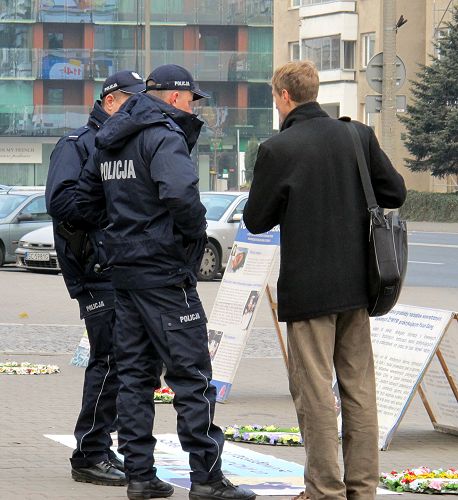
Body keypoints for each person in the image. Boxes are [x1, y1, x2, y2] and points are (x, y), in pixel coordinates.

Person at [73, 64, 256, 500]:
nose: (193, 106)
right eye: (191, 99)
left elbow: (83, 202)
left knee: (136, 378)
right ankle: (207, 479)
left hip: (126, 274)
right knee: (191, 377)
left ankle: (140, 476)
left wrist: (121, 234)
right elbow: (180, 195)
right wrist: (188, 236)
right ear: (174, 97)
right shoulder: (163, 134)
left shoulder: (110, 139)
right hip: (164, 274)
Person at [243, 61, 407, 500]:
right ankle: (363, 488)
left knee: (315, 392)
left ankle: (323, 490)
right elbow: (395, 192)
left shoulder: (279, 149)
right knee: (359, 390)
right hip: (359, 287)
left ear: (283, 96)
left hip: (309, 290)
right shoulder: (357, 136)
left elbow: (256, 220)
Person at [45, 70, 149, 487]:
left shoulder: (121, 145)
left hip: (119, 266)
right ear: (110, 103)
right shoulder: (77, 144)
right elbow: (62, 202)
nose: (140, 111)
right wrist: (114, 218)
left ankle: (100, 448)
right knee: (107, 360)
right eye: (133, 102)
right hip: (96, 269)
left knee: (123, 361)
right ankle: (89, 454)